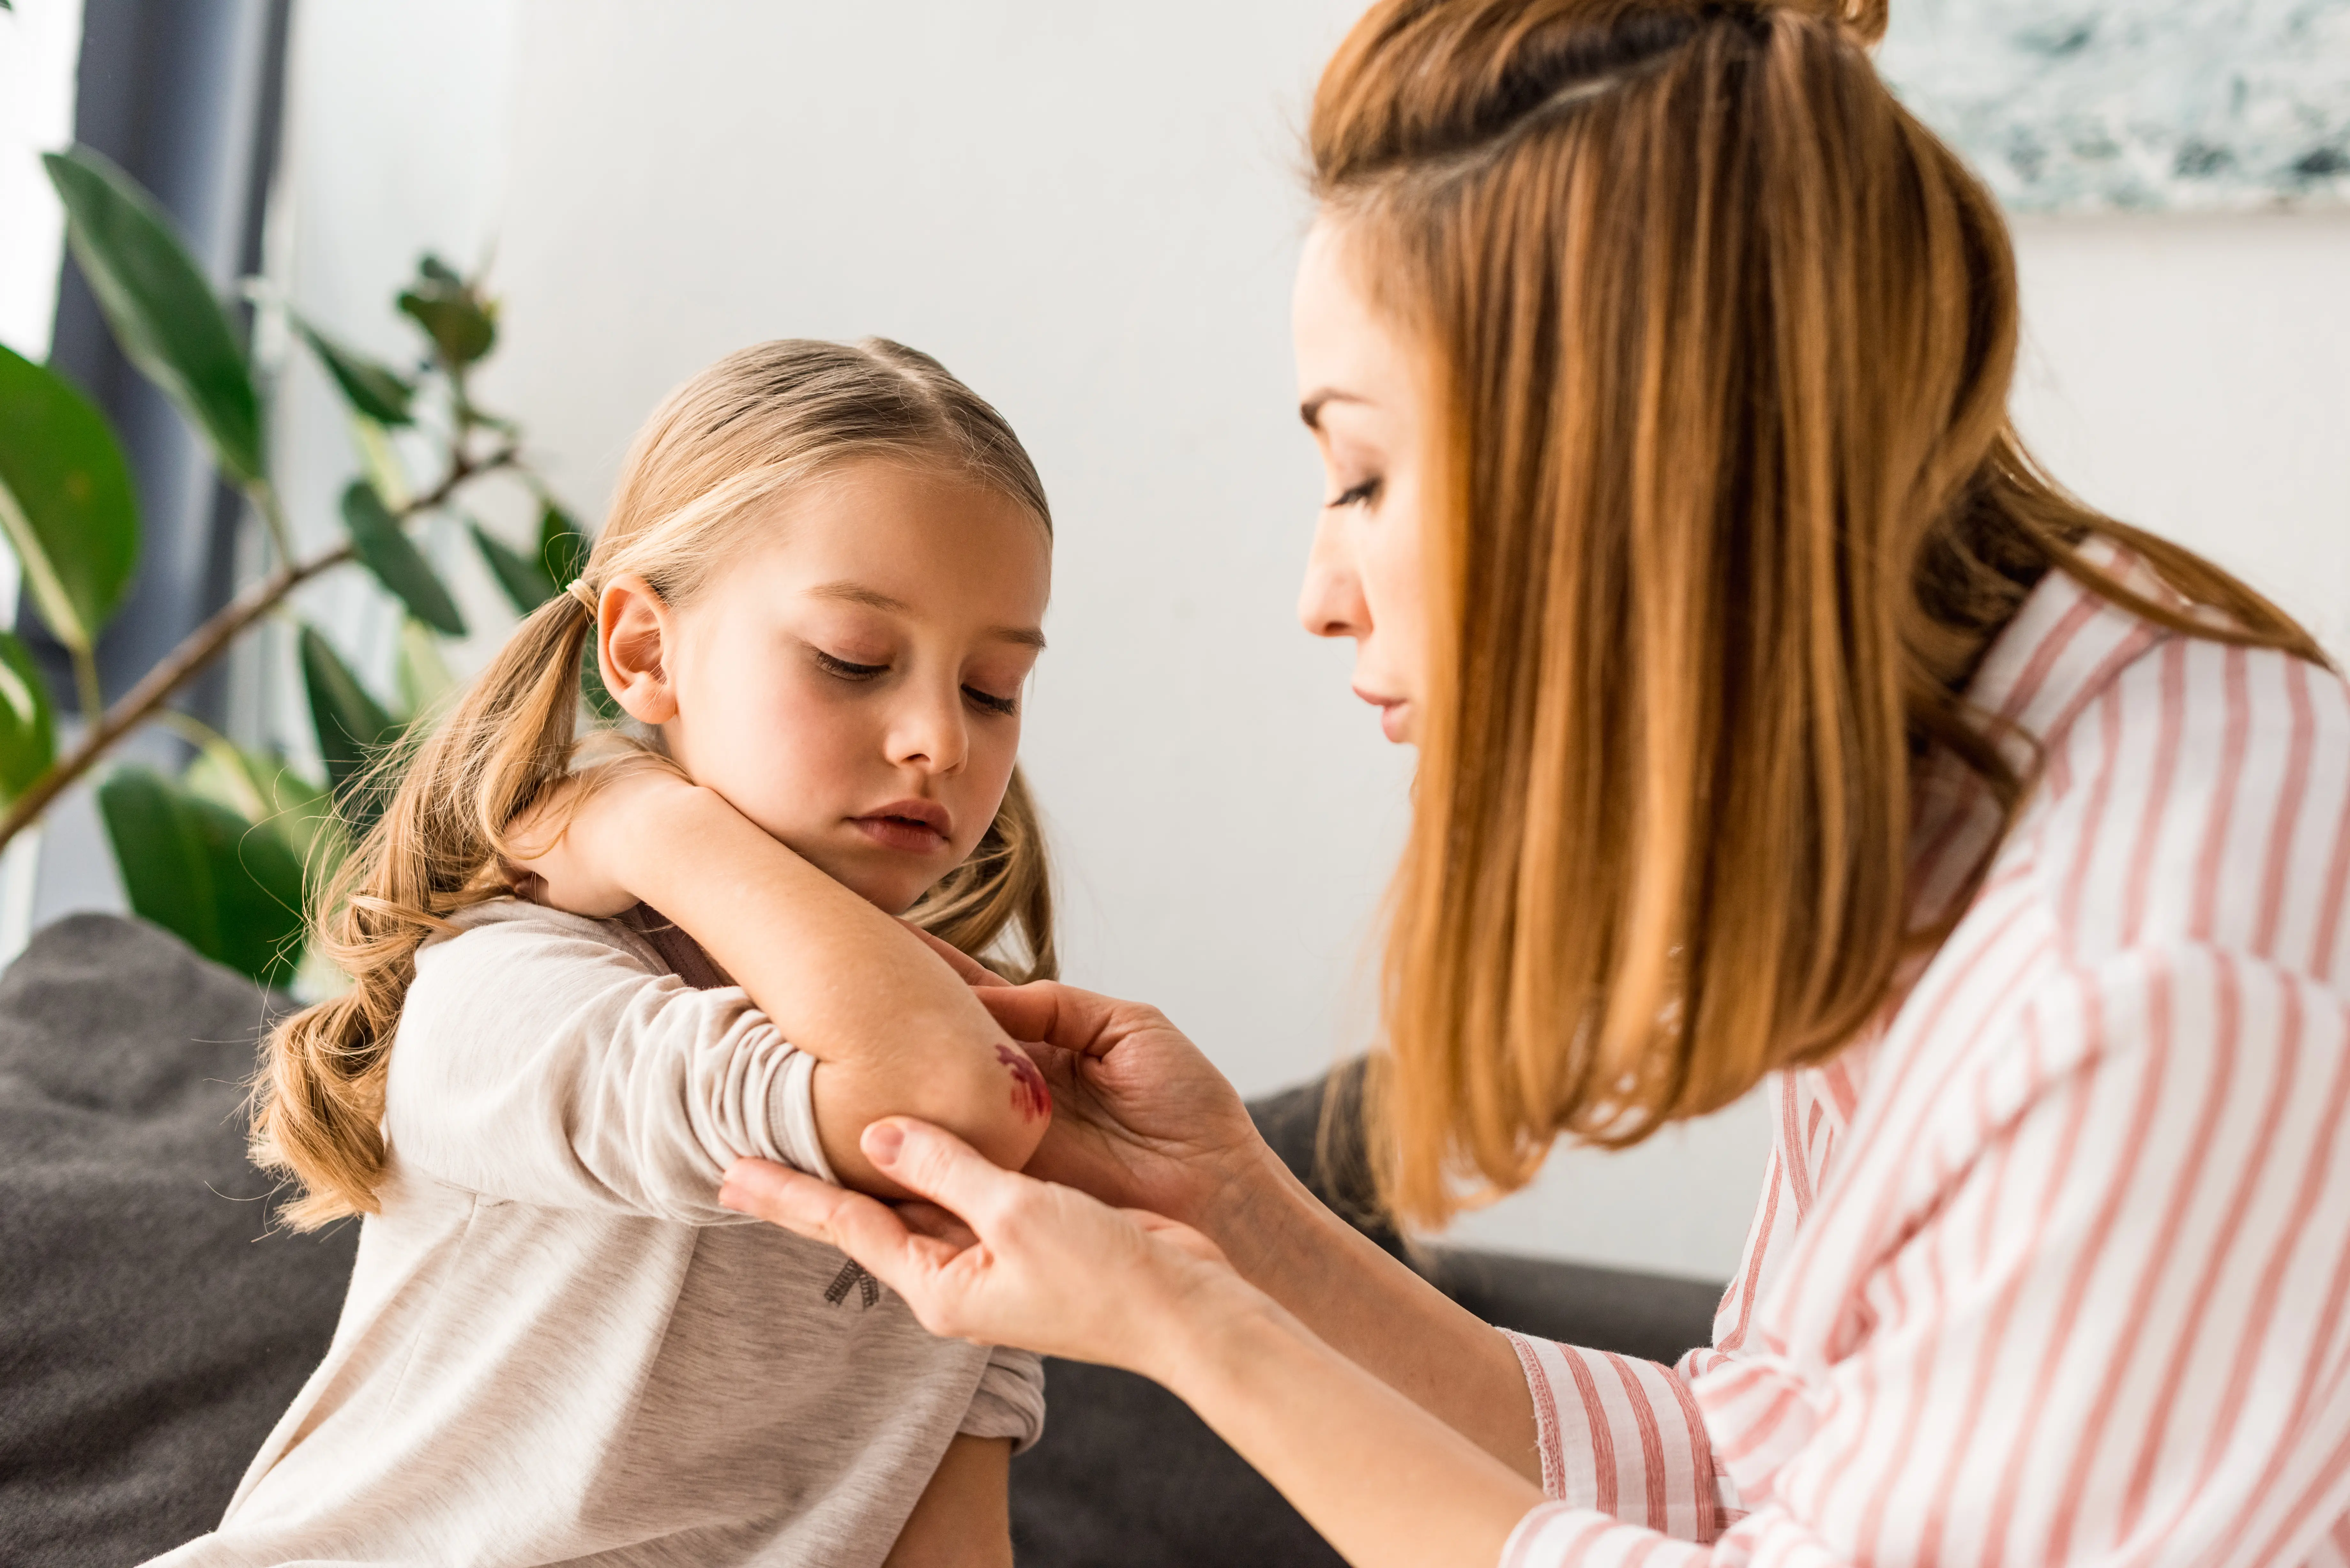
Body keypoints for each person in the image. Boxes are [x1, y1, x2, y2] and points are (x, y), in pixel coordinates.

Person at [716, 4, 2350, 1565]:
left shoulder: (2131, 979)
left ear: (1614, 468)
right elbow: (1747, 1474)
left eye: (1360, 473)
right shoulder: (1949, 824)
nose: (1319, 590)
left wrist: (1185, 1327)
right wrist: (1232, 1215)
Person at [151, 338, 1062, 1568]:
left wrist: (636, 817)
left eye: (995, 688)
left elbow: (949, 1538)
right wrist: (646, 818)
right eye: (854, 660)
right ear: (640, 652)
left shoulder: (976, 1066)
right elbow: (935, 1099)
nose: (940, 742)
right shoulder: (511, 988)